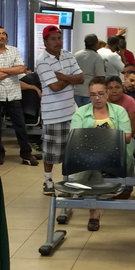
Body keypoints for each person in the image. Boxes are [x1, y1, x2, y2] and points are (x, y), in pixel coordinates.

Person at [69, 77, 132, 231]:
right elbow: (75, 138)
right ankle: (94, 213)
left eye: (100, 94)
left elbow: (127, 137)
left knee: (89, 162)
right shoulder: (81, 112)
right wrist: (106, 138)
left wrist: (96, 141)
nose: (97, 98)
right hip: (89, 156)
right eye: (93, 95)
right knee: (92, 165)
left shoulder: (119, 111)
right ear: (89, 96)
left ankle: (74, 187)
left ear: (107, 94)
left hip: (115, 155)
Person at [36, 25, 84, 195]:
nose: (58, 42)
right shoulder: (42, 60)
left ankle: (68, 181)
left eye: (59, 38)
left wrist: (63, 76)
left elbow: (81, 78)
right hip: (53, 113)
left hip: (71, 111)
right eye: (53, 39)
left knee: (70, 151)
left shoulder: (68, 55)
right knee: (50, 152)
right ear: (45, 42)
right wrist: (71, 79)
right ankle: (48, 180)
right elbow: (55, 87)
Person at [0, 26, 38, 166]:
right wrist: (12, 70)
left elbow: (22, 68)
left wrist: (2, 70)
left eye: (3, 33)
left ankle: (26, 154)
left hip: (13, 93)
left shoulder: (14, 50)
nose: (1, 36)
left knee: (20, 125)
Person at [74, 34, 105, 107]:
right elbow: (100, 77)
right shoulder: (97, 57)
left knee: (78, 114)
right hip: (89, 92)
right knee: (89, 114)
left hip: (76, 91)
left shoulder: (76, 55)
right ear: (96, 44)